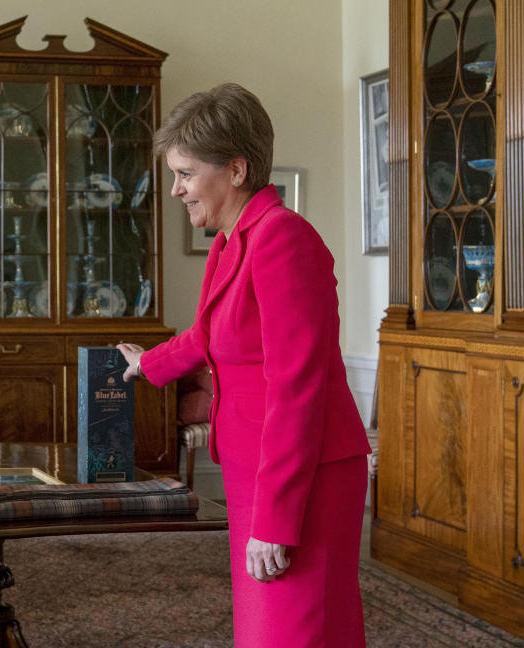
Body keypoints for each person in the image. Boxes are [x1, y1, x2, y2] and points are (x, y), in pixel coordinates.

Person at [117, 83, 371, 647]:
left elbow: (297, 387)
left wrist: (276, 521)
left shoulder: (284, 239)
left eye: (185, 173)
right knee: (267, 627)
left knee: (295, 630)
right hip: (257, 465)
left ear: (236, 169)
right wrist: (149, 364)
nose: (178, 189)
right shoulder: (231, 242)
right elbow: (209, 335)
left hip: (302, 472)